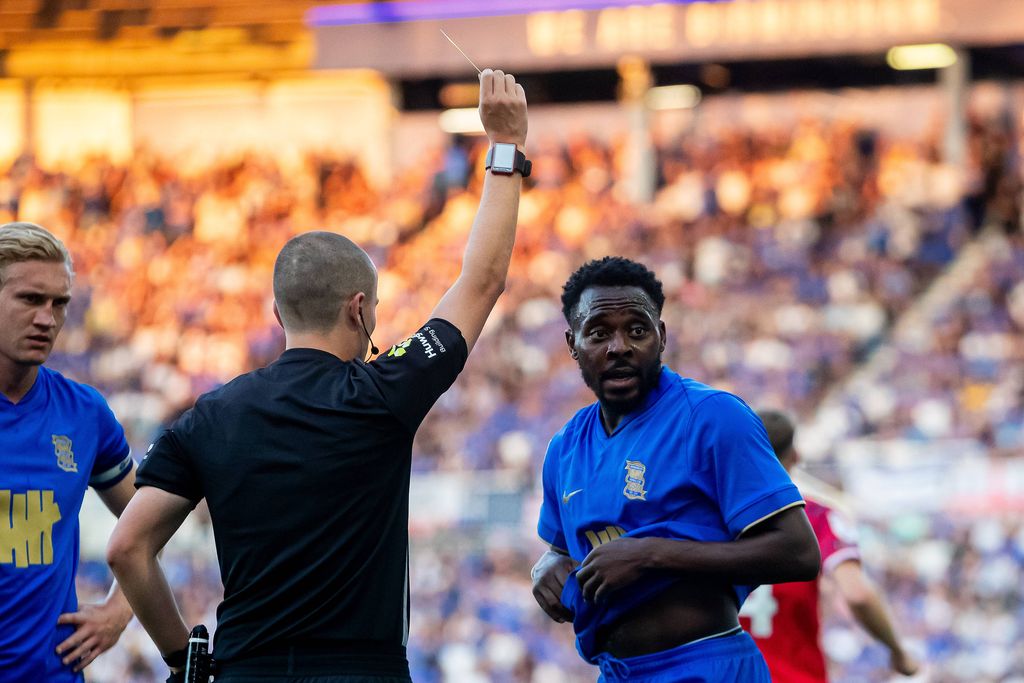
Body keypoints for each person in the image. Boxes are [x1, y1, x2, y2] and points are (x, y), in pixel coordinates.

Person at [106, 67, 529, 683]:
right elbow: (482, 280)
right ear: (360, 309)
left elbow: (126, 548)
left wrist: (184, 658)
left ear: (279, 315)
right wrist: (506, 146)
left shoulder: (209, 416)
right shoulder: (383, 391)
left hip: (246, 673)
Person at [530, 256, 821, 683]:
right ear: (573, 344)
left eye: (637, 330)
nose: (619, 347)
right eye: (599, 333)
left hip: (707, 666)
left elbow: (799, 553)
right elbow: (562, 550)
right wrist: (546, 567)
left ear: (661, 335)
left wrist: (652, 555)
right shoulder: (565, 447)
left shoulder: (713, 417)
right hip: (616, 673)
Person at [0, 222, 136, 682]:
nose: (47, 319)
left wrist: (119, 611)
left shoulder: (84, 413)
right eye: (30, 299)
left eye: (59, 303)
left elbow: (147, 524)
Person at [740, 409, 920, 682]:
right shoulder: (817, 516)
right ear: (795, 456)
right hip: (795, 675)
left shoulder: (709, 516)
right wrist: (898, 651)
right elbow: (857, 594)